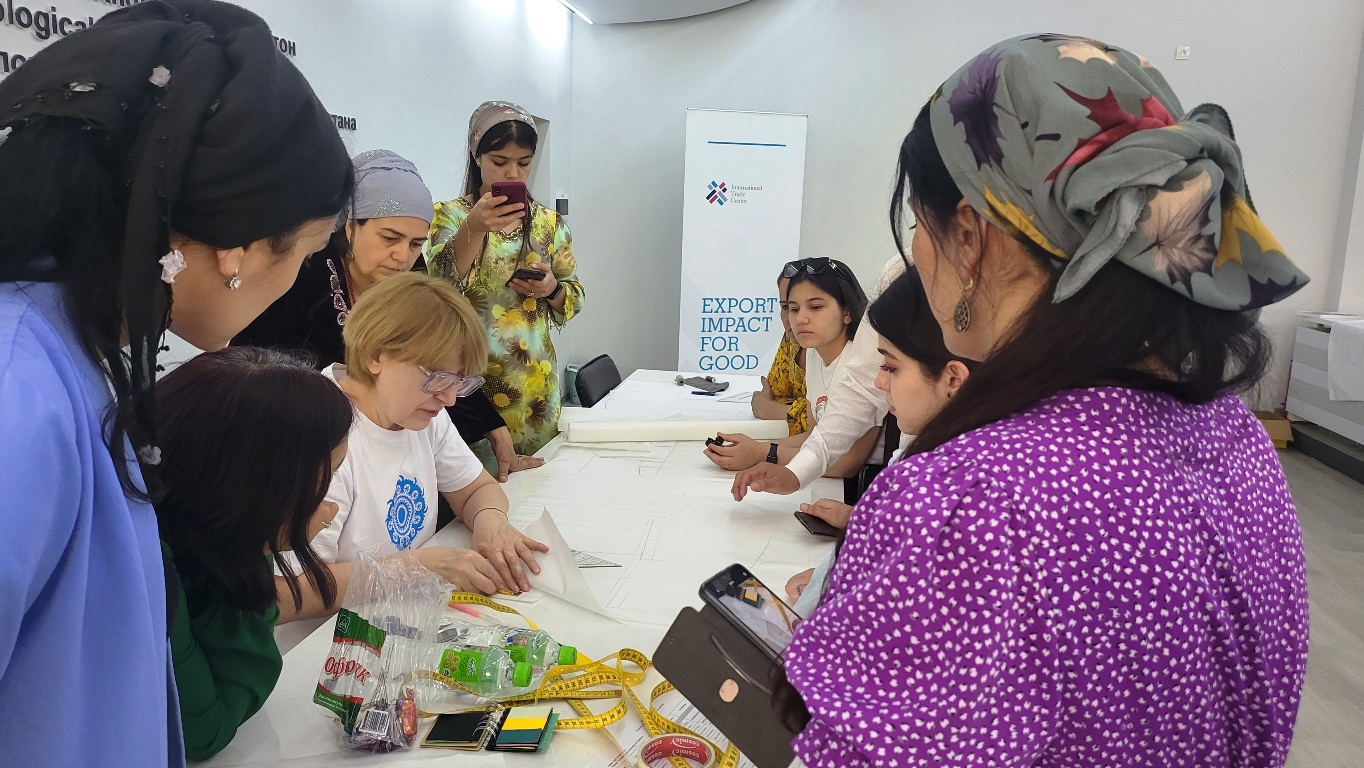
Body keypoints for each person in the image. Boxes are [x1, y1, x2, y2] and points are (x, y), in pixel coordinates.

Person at [774, 35, 1310, 767]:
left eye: (919, 227)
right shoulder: (1236, 439)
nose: (916, 254)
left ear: (970, 237)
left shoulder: (973, 497)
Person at [0, 3, 352, 766]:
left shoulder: (75, 353)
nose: (297, 281)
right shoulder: (20, 392)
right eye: (304, 255)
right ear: (239, 249)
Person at [235, 149, 542, 482]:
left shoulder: (409, 274)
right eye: (390, 238)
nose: (402, 256)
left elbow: (436, 352)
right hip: (302, 449)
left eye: (415, 244)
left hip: (388, 446)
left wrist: (493, 427)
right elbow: (251, 368)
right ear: (351, 227)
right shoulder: (303, 273)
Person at [278, 272, 549, 623]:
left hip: (403, 618)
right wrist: (418, 568)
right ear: (377, 356)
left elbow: (475, 489)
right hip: (326, 640)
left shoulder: (420, 414)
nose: (449, 399)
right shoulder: (316, 432)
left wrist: (490, 522)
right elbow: (288, 593)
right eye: (438, 377)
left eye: (459, 382)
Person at [156, 348, 352, 760]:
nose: (329, 508)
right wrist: (260, 545)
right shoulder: (153, 568)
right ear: (253, 487)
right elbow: (205, 730)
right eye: (324, 481)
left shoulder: (201, 533)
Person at [785, 268, 971, 616]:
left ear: (952, 379)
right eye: (790, 307)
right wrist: (841, 569)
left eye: (891, 367)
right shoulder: (923, 458)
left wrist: (833, 588)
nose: (878, 383)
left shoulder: (958, 485)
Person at [428, 101, 584, 456]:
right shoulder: (450, 216)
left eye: (524, 162)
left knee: (540, 477)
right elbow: (438, 288)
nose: (513, 173)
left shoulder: (548, 224)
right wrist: (474, 227)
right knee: (478, 480)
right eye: (499, 161)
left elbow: (575, 296)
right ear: (477, 157)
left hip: (535, 384)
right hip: (469, 384)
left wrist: (552, 289)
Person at [704, 258, 877, 477]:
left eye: (816, 307)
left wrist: (763, 453)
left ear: (847, 312)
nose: (800, 319)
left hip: (866, 483)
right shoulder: (814, 352)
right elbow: (814, 436)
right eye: (792, 308)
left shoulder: (863, 363)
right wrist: (751, 449)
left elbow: (846, 463)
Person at [751, 271, 809, 435]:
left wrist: (768, 409)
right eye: (786, 307)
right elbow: (776, 395)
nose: (795, 319)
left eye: (815, 307)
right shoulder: (793, 338)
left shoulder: (851, 353)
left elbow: (831, 422)